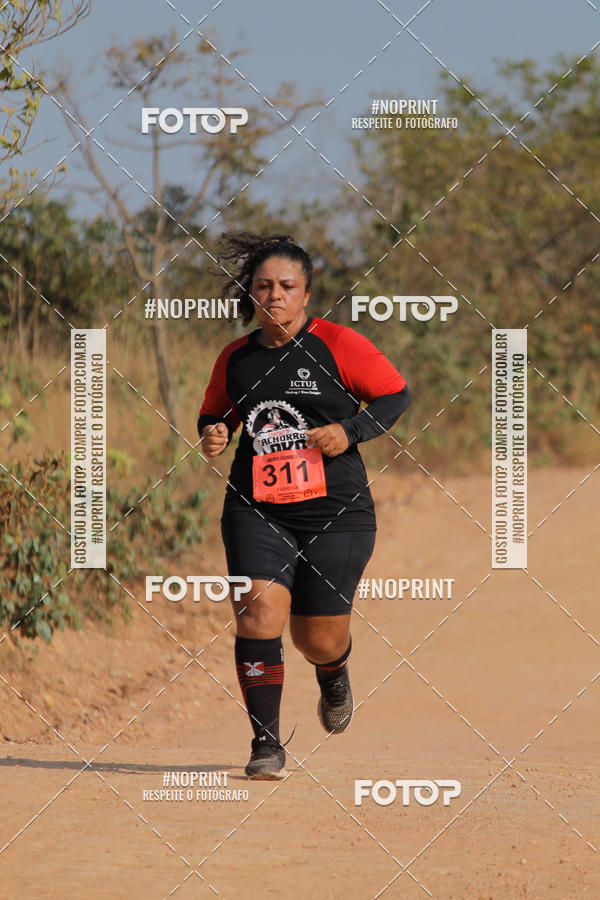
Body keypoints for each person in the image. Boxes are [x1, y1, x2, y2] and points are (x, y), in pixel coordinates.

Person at [198, 233, 411, 779]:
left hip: (336, 511)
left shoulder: (337, 344)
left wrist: (350, 429)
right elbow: (215, 413)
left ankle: (333, 671)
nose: (274, 296)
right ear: (251, 293)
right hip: (257, 505)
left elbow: (395, 394)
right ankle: (265, 745)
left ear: (307, 295)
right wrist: (216, 432)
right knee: (258, 609)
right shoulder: (236, 357)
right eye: (263, 286)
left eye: (286, 287)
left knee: (317, 637)